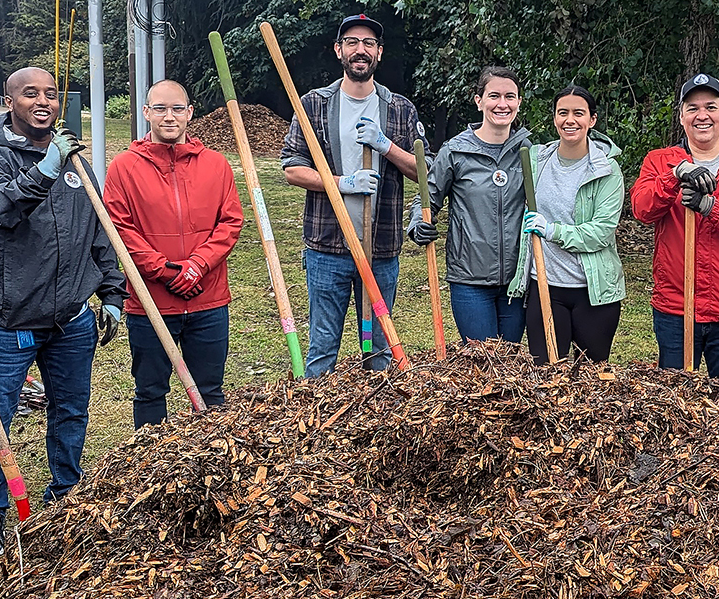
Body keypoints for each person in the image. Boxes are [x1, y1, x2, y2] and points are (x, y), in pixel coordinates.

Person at [0, 67, 127, 556]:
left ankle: (65, 495)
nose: (44, 101)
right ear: (8, 100)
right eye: (30, 93)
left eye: (52, 94)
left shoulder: (75, 160)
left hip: (70, 317)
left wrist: (112, 295)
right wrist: (45, 169)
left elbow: (100, 231)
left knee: (71, 411)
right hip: (4, 317)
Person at [280, 14, 429, 377]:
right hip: (327, 247)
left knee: (378, 349)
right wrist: (342, 183)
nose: (359, 50)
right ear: (338, 50)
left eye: (368, 43)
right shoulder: (313, 104)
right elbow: (291, 167)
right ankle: (315, 425)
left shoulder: (399, 109)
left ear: (378, 52)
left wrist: (386, 145)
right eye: (351, 42)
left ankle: (374, 425)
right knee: (323, 349)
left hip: (380, 249)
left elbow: (424, 173)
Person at [104, 80, 243, 429]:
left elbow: (229, 222)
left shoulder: (216, 165)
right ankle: (148, 463)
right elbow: (121, 229)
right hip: (150, 303)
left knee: (211, 392)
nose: (170, 116)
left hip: (208, 301)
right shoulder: (123, 167)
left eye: (177, 109)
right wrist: (165, 271)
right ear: (146, 112)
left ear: (190, 113)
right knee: (150, 391)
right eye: (161, 109)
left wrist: (197, 266)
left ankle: (214, 464)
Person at [630, 74, 719, 379]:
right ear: (681, 116)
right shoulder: (659, 161)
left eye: (710, 107)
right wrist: (675, 175)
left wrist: (712, 207)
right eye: (692, 108)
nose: (702, 116)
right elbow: (642, 209)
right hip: (676, 309)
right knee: (676, 406)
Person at [406, 66, 531, 342]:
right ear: (479, 101)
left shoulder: (529, 152)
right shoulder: (455, 151)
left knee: (509, 364)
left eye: (510, 97)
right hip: (469, 279)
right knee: (480, 360)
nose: (502, 104)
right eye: (494, 96)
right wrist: (418, 224)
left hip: (517, 281)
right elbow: (427, 198)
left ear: (519, 102)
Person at [507, 85, 625, 363]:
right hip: (545, 285)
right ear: (554, 117)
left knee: (591, 378)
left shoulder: (607, 169)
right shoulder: (536, 159)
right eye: (563, 113)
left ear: (592, 120)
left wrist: (552, 231)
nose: (569, 120)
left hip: (593, 292)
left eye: (578, 113)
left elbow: (601, 232)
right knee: (546, 372)